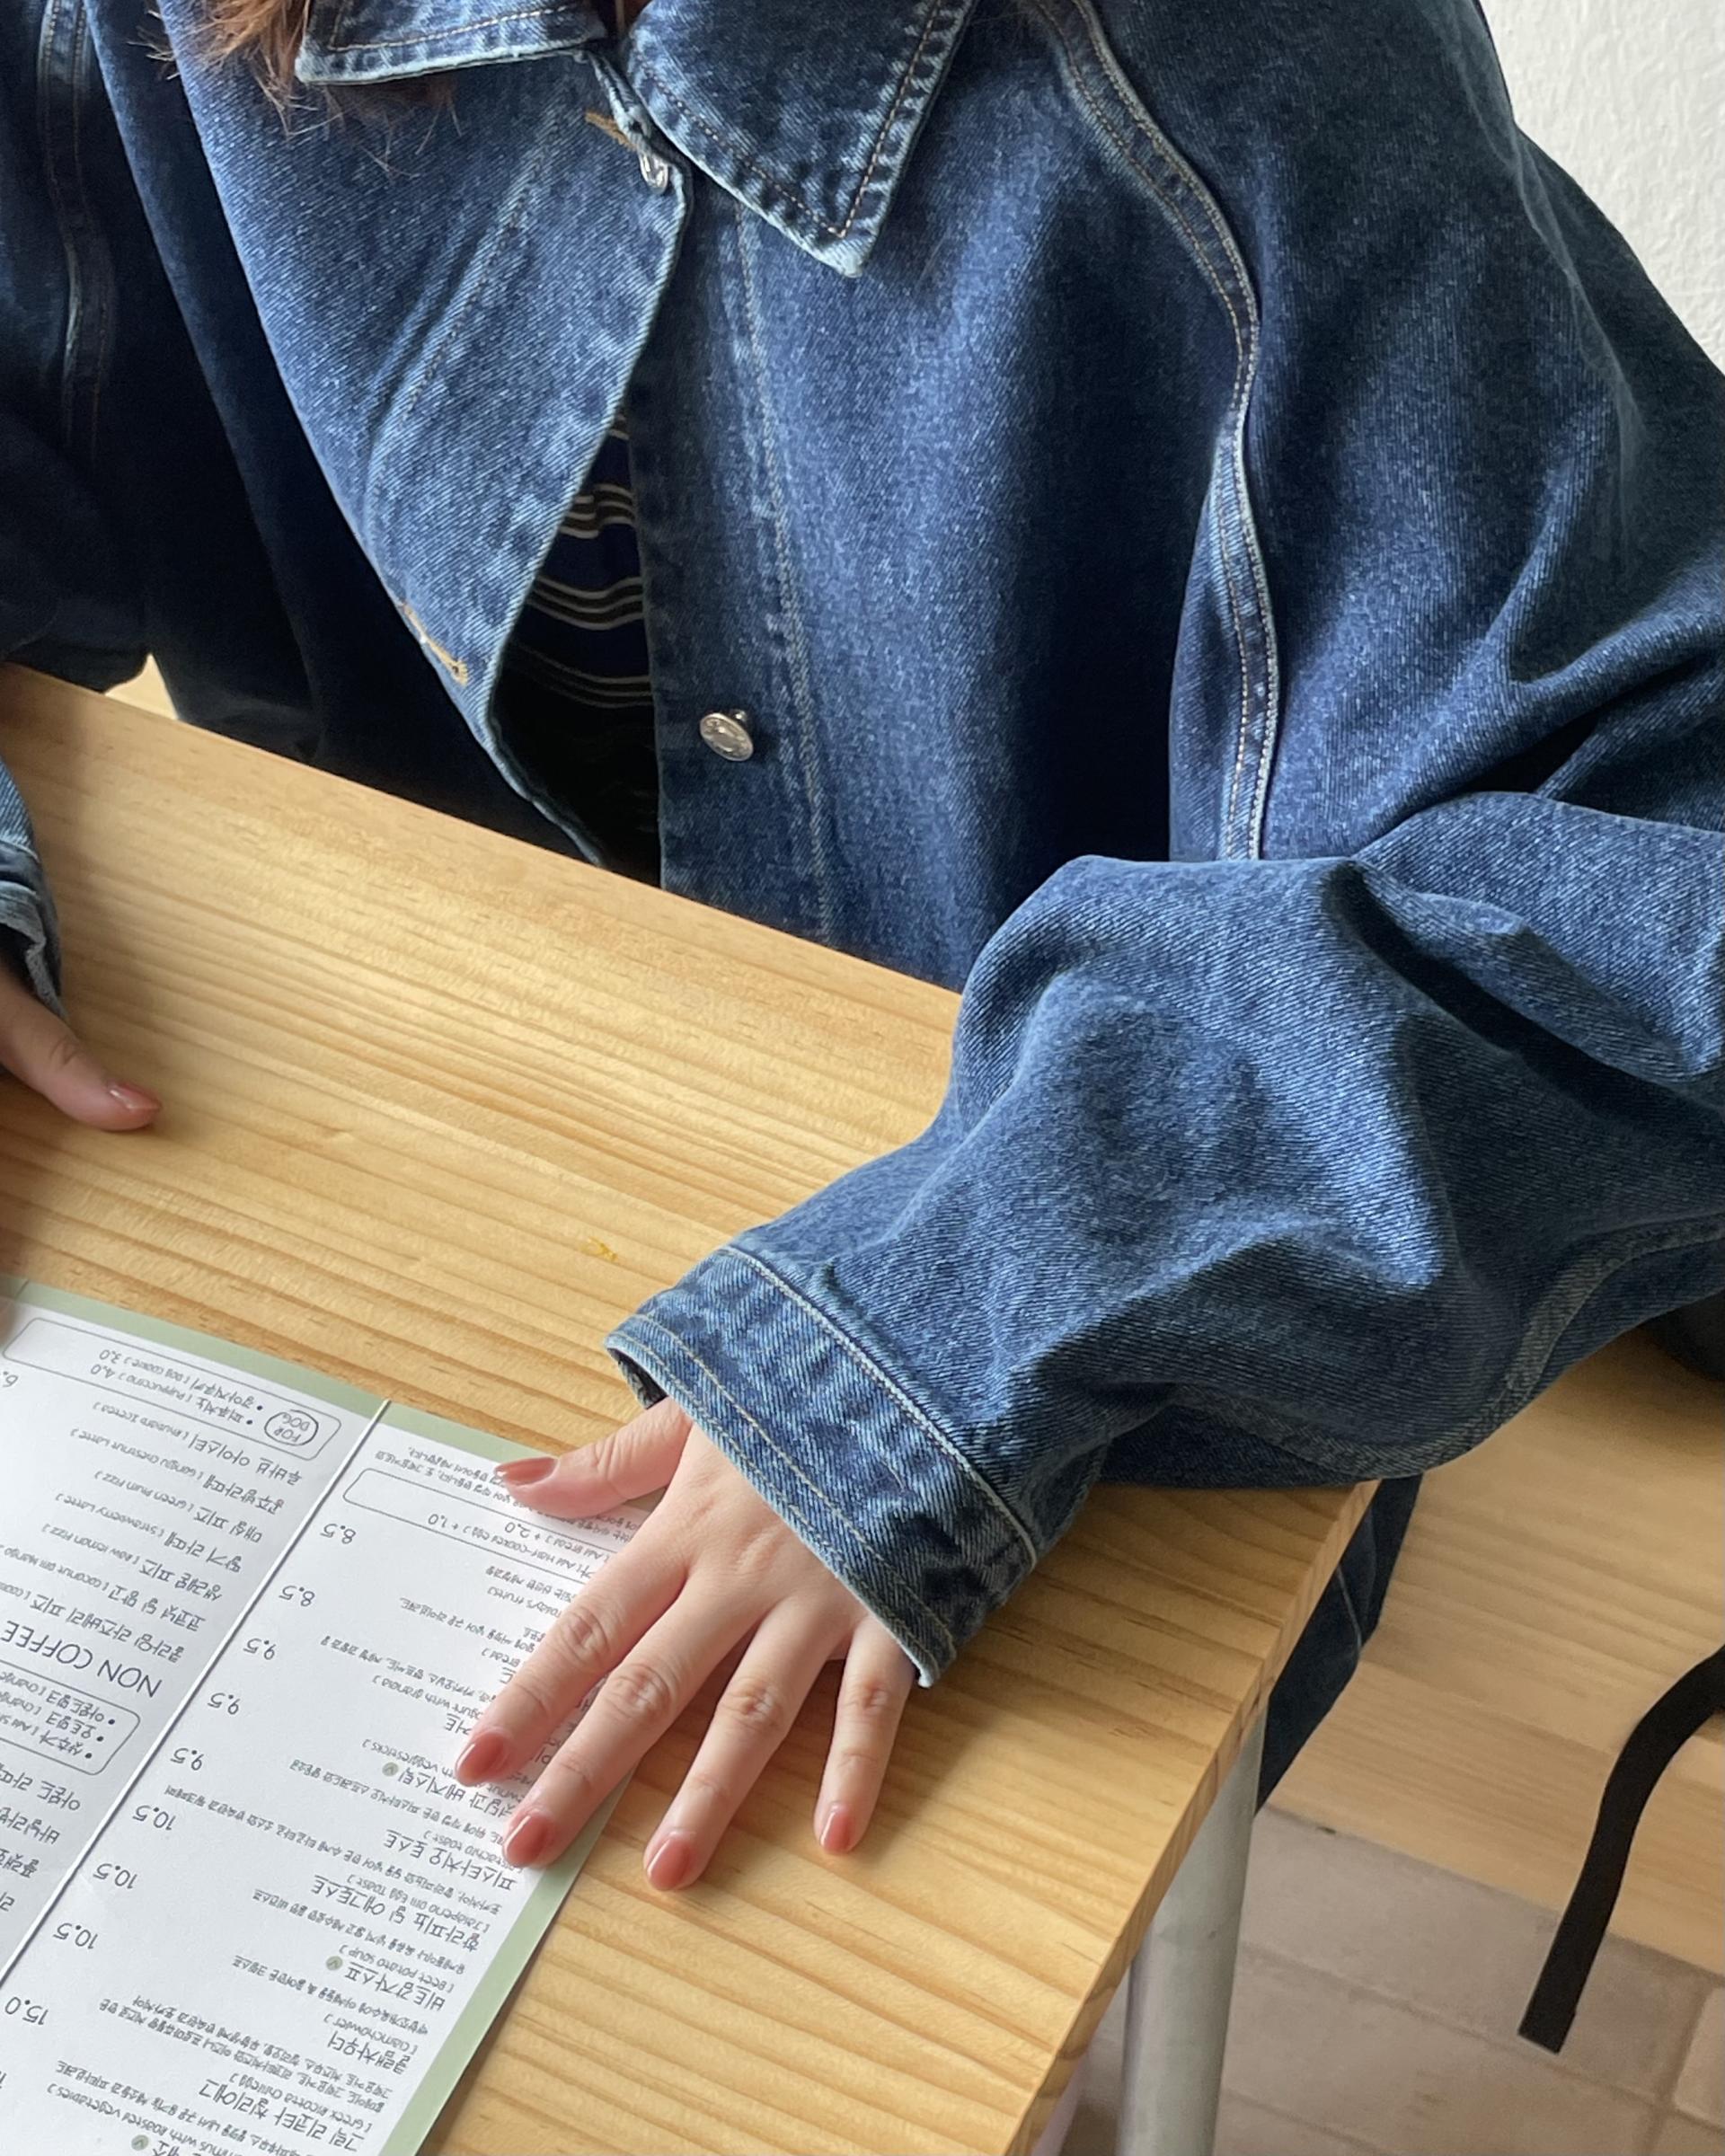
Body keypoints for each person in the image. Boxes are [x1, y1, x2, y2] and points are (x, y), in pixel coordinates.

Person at [2, 0, 1721, 1902]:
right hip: (372, 1183)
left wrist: (933, 1332)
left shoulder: (1232, 60)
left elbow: (1666, 870)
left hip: (1055, 1335)